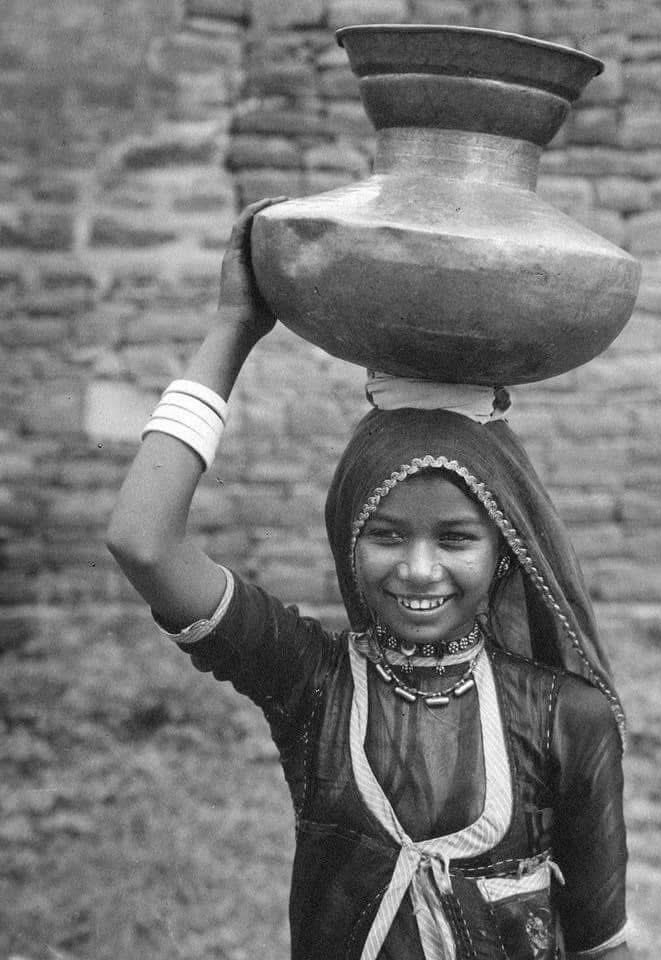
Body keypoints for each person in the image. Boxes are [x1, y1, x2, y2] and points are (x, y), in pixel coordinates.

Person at [107, 200, 632, 960]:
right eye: (386, 534)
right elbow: (143, 542)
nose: (419, 570)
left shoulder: (566, 720)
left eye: (456, 538)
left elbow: (602, 947)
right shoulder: (313, 685)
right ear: (348, 537)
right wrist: (231, 331)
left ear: (508, 549)